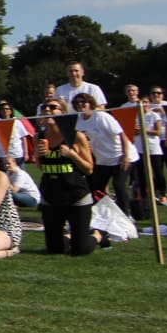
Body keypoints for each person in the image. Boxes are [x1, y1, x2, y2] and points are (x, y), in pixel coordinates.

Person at [35, 99, 104, 256]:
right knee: (54, 250)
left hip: (76, 195)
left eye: (53, 107)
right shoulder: (39, 136)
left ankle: (97, 236)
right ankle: (69, 237)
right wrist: (37, 156)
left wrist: (72, 154)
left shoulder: (75, 136)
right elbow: (41, 167)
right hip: (51, 195)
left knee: (80, 250)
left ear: (63, 113)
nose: (48, 110)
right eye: (44, 107)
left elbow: (89, 169)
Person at [73, 93, 133, 216]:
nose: (80, 105)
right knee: (96, 188)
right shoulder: (78, 121)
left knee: (119, 185)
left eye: (83, 102)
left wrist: (125, 155)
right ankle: (102, 213)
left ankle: (127, 214)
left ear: (90, 104)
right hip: (102, 160)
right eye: (77, 103)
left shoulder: (102, 117)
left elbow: (122, 135)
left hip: (119, 156)